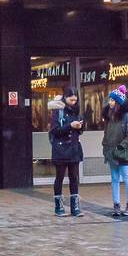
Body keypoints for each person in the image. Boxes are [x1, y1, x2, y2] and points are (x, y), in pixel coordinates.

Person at [48, 86, 85, 217]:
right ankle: (58, 206)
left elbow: (80, 130)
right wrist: (70, 126)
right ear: (65, 97)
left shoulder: (77, 110)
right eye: (71, 99)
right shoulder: (58, 110)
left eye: (75, 100)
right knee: (60, 177)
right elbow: (55, 130)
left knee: (74, 177)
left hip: (74, 148)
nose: (73, 102)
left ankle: (75, 206)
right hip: (61, 148)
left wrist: (80, 126)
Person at [102, 85, 128, 217]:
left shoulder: (127, 117)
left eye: (112, 100)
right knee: (114, 179)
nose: (109, 102)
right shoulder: (109, 117)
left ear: (118, 102)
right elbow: (106, 134)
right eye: (109, 99)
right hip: (111, 152)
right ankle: (116, 204)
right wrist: (105, 147)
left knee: (127, 178)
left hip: (123, 152)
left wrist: (120, 147)